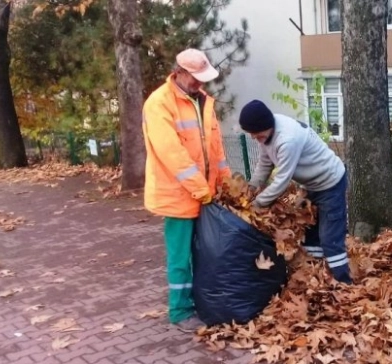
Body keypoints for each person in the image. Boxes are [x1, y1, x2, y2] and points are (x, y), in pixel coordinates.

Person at [141, 48, 232, 332]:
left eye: (203, 78)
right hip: (178, 196)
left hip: (205, 194)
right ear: (179, 72)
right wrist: (200, 188)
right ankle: (179, 309)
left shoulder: (202, 102)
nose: (200, 84)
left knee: (202, 253)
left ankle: (199, 301)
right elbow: (172, 154)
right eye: (195, 78)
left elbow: (216, 150)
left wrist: (225, 184)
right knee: (180, 256)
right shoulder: (159, 104)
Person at [239, 99, 353, 285]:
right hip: (312, 186)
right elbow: (264, 165)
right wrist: (251, 189)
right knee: (311, 236)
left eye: (255, 133)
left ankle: (344, 285)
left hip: (331, 182)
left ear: (265, 125)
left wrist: (258, 203)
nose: (253, 137)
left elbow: (282, 180)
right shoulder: (266, 135)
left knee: (330, 239)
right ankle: (316, 279)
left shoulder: (287, 139)